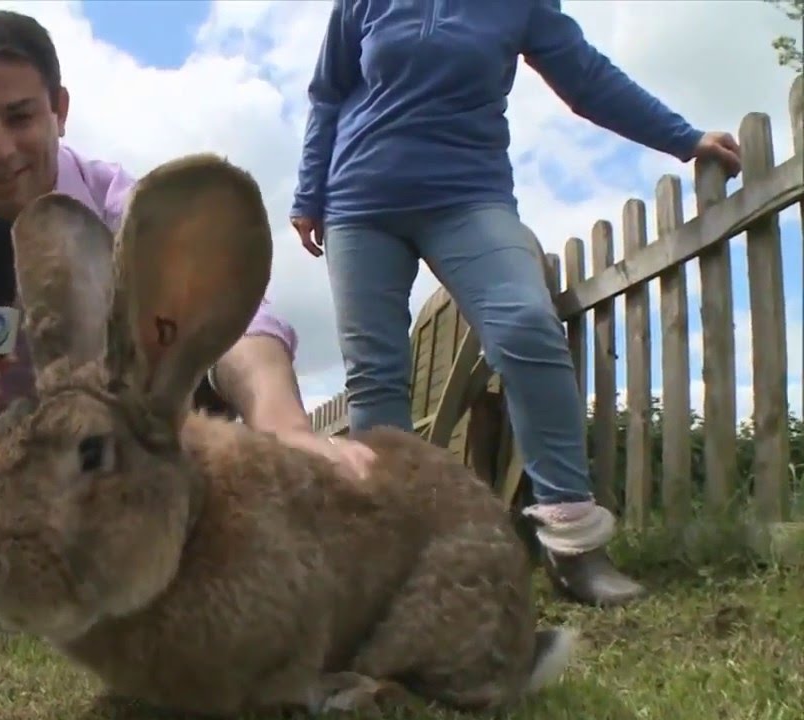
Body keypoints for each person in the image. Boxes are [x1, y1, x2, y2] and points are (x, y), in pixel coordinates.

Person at [0, 9, 377, 624]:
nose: (0, 150)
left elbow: (238, 327)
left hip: (118, 425)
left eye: (20, 117)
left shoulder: (117, 205)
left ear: (59, 109)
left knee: (216, 578)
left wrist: (284, 427)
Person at [289, 0, 743, 607]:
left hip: (467, 197)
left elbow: (587, 78)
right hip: (358, 203)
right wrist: (308, 191)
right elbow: (329, 94)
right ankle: (396, 557)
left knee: (526, 326)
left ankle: (572, 541)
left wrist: (684, 138)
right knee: (375, 375)